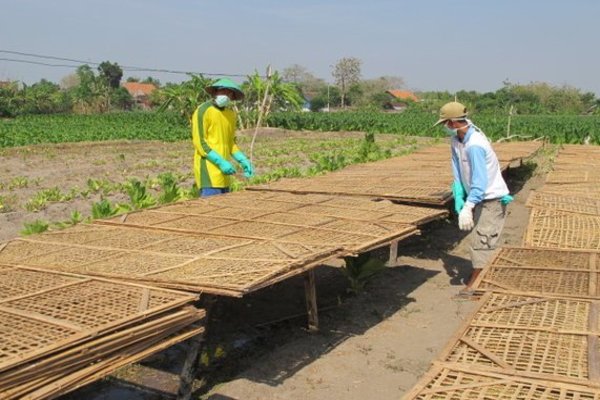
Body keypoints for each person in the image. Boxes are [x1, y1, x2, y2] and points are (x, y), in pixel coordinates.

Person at [434, 101, 513, 291]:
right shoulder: (457, 141)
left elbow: (480, 182)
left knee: (482, 241)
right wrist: (459, 194)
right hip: (477, 197)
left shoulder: (475, 144)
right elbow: (457, 170)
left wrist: (468, 207)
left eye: (446, 123)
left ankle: (476, 286)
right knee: (481, 239)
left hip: (491, 199)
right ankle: (481, 274)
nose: (445, 127)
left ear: (453, 123)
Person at [191, 78, 254, 197]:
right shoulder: (203, 110)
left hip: (225, 175)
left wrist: (242, 160)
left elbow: (231, 143)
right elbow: (200, 143)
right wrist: (220, 162)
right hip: (209, 172)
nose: (227, 95)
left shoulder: (230, 115)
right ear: (215, 92)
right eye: (223, 91)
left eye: (230, 93)